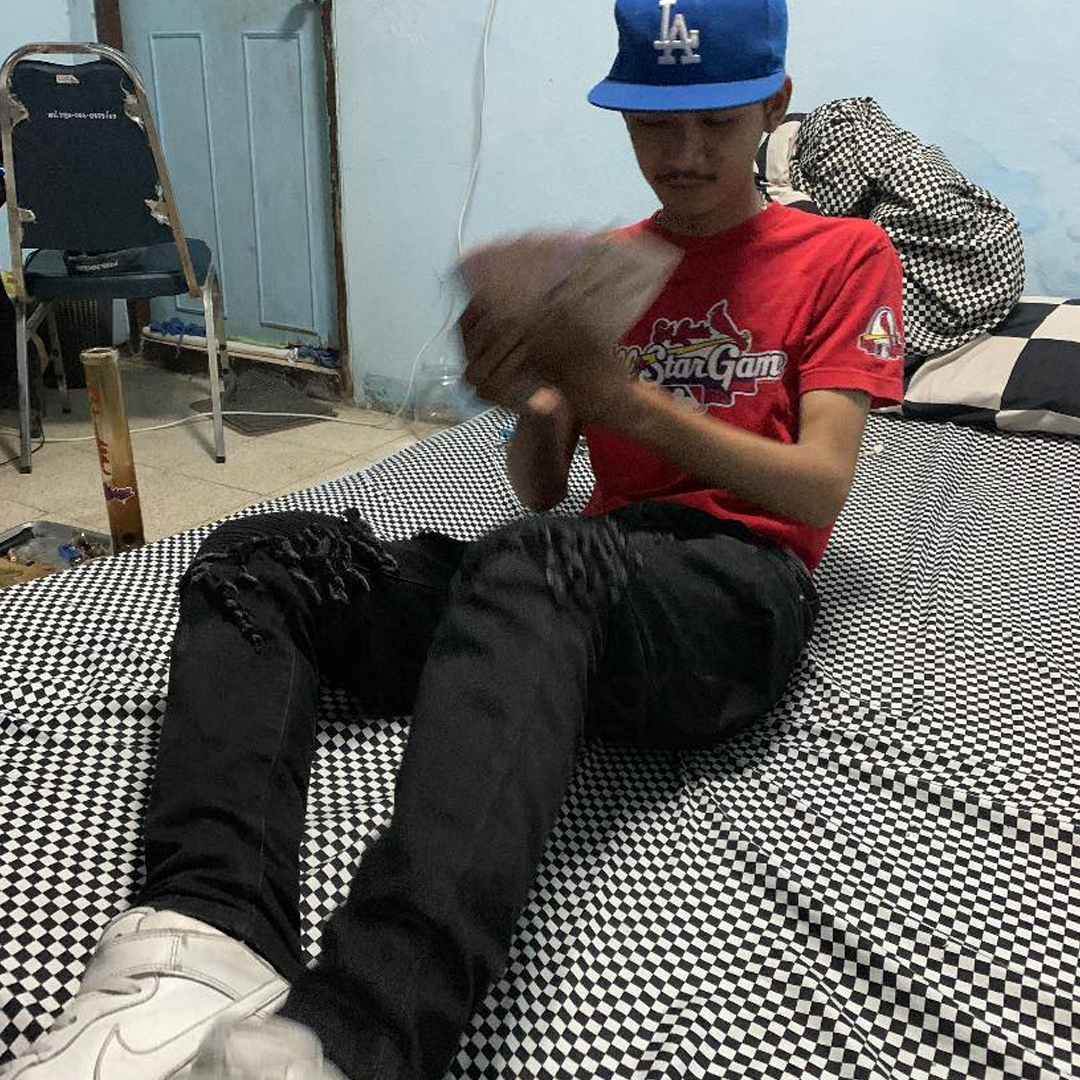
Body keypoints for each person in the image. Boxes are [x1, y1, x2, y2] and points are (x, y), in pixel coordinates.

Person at [0, 0, 904, 1078]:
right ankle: (205, 931)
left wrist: (625, 402)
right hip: (580, 579)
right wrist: (534, 397)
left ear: (773, 104)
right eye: (654, 123)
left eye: (716, 120)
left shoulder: (842, 253)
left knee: (540, 559)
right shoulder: (611, 266)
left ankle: (363, 1031)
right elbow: (542, 491)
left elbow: (819, 488)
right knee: (265, 555)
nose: (685, 153)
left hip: (734, 589)